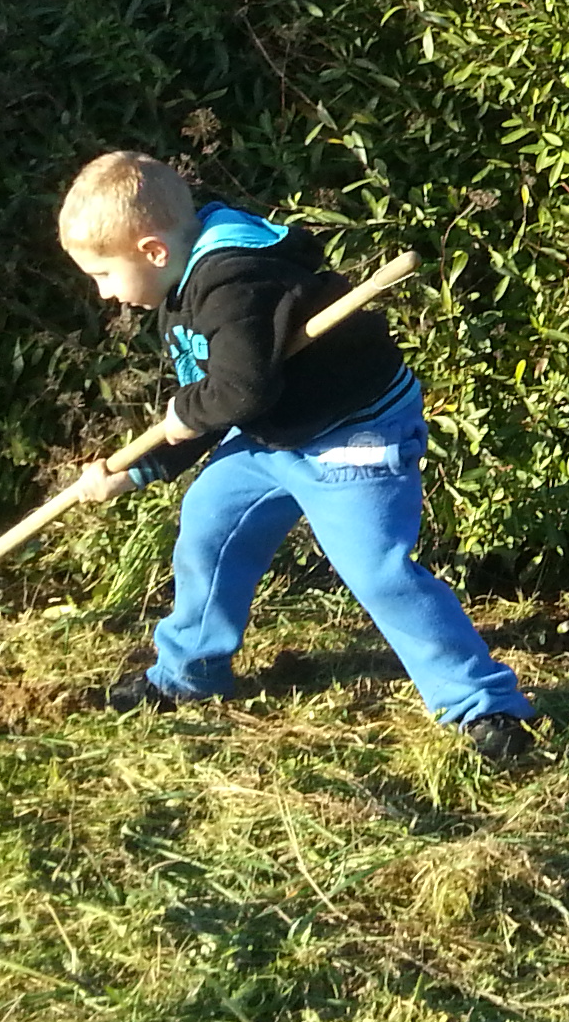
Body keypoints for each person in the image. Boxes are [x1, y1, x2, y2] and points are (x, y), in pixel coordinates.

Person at [54, 151, 537, 760]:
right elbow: (211, 403)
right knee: (209, 526)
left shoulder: (236, 283)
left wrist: (190, 412)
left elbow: (237, 392)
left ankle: (484, 704)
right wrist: (132, 472)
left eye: (103, 274)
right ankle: (188, 672)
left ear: (151, 250)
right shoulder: (177, 288)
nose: (103, 293)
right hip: (272, 432)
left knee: (378, 572)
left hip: (353, 434)